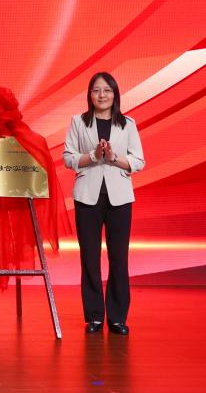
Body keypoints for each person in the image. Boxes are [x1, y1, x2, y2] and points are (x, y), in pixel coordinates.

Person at [62, 71, 146, 336]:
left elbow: (138, 161)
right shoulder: (78, 122)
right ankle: (95, 317)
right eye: (97, 90)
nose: (102, 95)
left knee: (119, 258)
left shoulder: (127, 124)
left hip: (119, 198)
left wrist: (113, 158)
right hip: (87, 196)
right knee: (89, 258)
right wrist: (94, 155)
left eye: (107, 90)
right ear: (90, 95)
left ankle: (117, 318)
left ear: (115, 94)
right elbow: (68, 157)